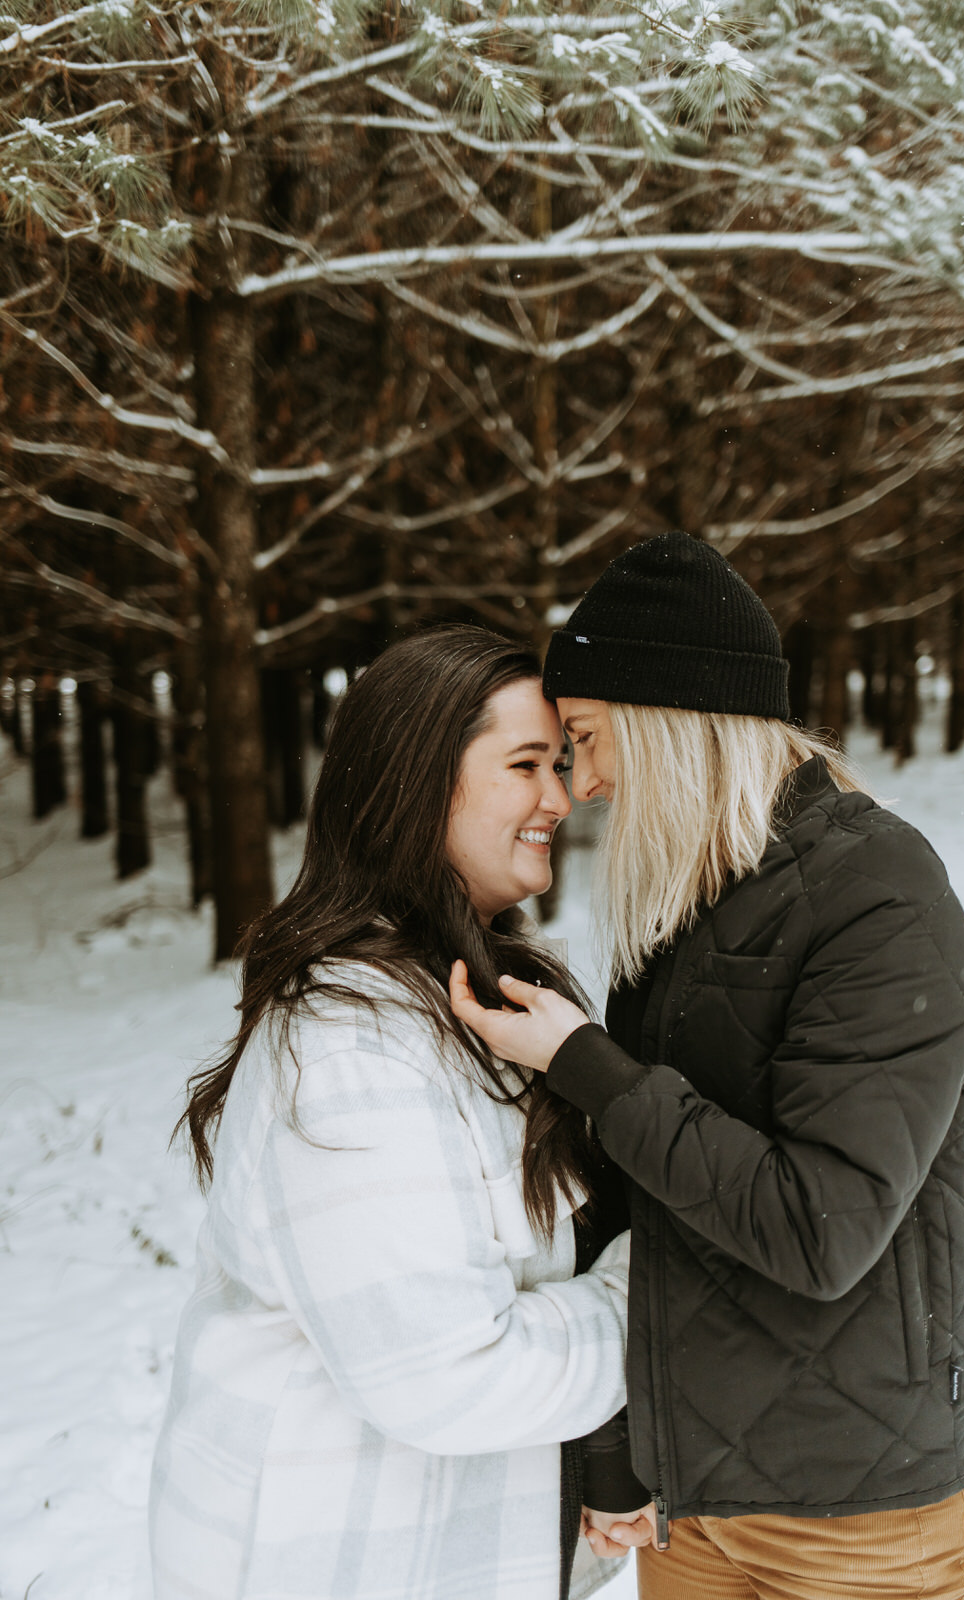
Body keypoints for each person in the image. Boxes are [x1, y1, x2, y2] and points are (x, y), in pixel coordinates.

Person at [451, 533, 964, 1600]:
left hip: (857, 1512)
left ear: (671, 719)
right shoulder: (683, 904)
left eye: (590, 740)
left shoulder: (878, 892)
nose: (582, 783)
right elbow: (638, 1202)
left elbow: (819, 1225)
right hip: (688, 1501)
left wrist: (584, 1064)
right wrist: (616, 1451)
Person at [150, 625, 635, 1600]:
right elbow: (447, 1372)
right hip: (317, 1563)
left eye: (562, 760)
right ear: (418, 780)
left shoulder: (468, 998)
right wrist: (653, 1303)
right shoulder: (345, 1040)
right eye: (524, 764)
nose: (559, 796)